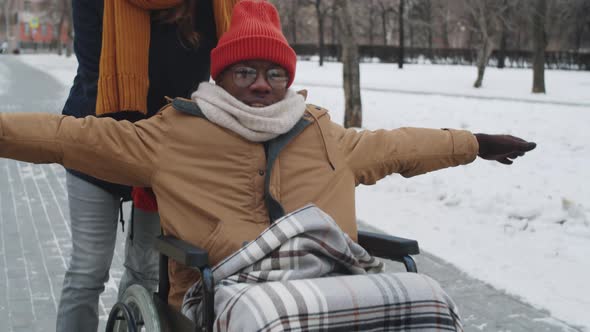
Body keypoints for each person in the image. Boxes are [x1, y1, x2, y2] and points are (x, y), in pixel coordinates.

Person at [0, 0, 535, 315]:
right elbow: (67, 137)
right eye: (246, 72)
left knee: (429, 301)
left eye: (275, 73)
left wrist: (476, 144)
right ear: (222, 77)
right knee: (89, 273)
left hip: (324, 280)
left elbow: (396, 147)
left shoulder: (320, 132)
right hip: (232, 286)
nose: (261, 85)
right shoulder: (178, 132)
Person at [57, 0, 237, 330]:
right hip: (97, 138)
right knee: (88, 270)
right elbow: (94, 72)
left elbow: (204, 78)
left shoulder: (209, 6)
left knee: (147, 270)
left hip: (164, 148)